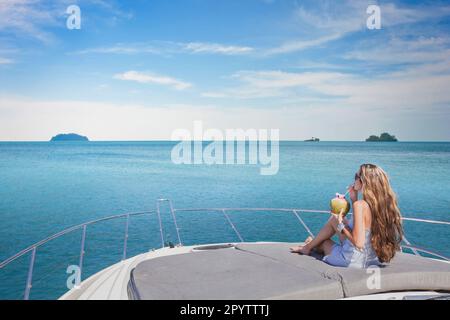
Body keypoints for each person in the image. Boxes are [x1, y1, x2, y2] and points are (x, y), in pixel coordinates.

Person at [290, 164, 403, 268]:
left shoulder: (360, 205)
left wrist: (341, 226)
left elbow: (359, 243)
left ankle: (309, 246)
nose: (354, 179)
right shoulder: (381, 205)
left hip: (351, 260)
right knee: (334, 218)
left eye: (356, 176)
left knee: (324, 242)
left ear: (363, 181)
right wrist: (353, 198)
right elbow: (363, 225)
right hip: (372, 259)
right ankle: (310, 245)